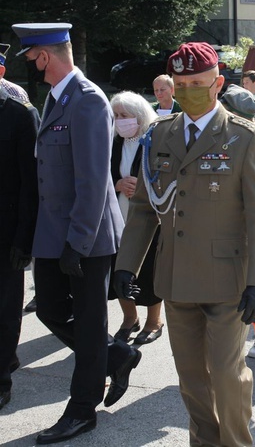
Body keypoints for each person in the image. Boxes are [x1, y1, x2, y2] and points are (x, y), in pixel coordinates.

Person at [114, 42, 255, 445]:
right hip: (177, 278)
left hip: (229, 281)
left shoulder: (245, 137)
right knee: (190, 378)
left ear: (217, 83)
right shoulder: (160, 134)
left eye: (198, 83)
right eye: (182, 83)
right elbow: (142, 209)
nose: (188, 89)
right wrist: (125, 265)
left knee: (227, 375)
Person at [12, 22, 140, 444]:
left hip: (85, 235)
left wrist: (78, 243)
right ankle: (117, 354)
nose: (30, 66)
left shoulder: (86, 101)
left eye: (31, 58)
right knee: (49, 309)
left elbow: (91, 180)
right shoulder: (56, 97)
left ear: (44, 57)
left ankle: (82, 410)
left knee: (87, 324)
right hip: (55, 233)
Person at [0, 54, 39, 412]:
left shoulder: (19, 114)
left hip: (6, 232)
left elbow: (31, 185)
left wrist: (24, 239)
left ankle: (2, 380)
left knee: (6, 308)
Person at [109, 92, 163, 345]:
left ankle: (154, 321)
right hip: (117, 217)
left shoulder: (153, 141)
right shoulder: (112, 142)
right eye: (116, 116)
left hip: (148, 219)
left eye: (125, 116)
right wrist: (117, 183)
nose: (120, 121)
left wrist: (141, 185)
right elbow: (100, 174)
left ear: (139, 116)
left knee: (150, 268)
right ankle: (129, 318)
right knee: (119, 269)